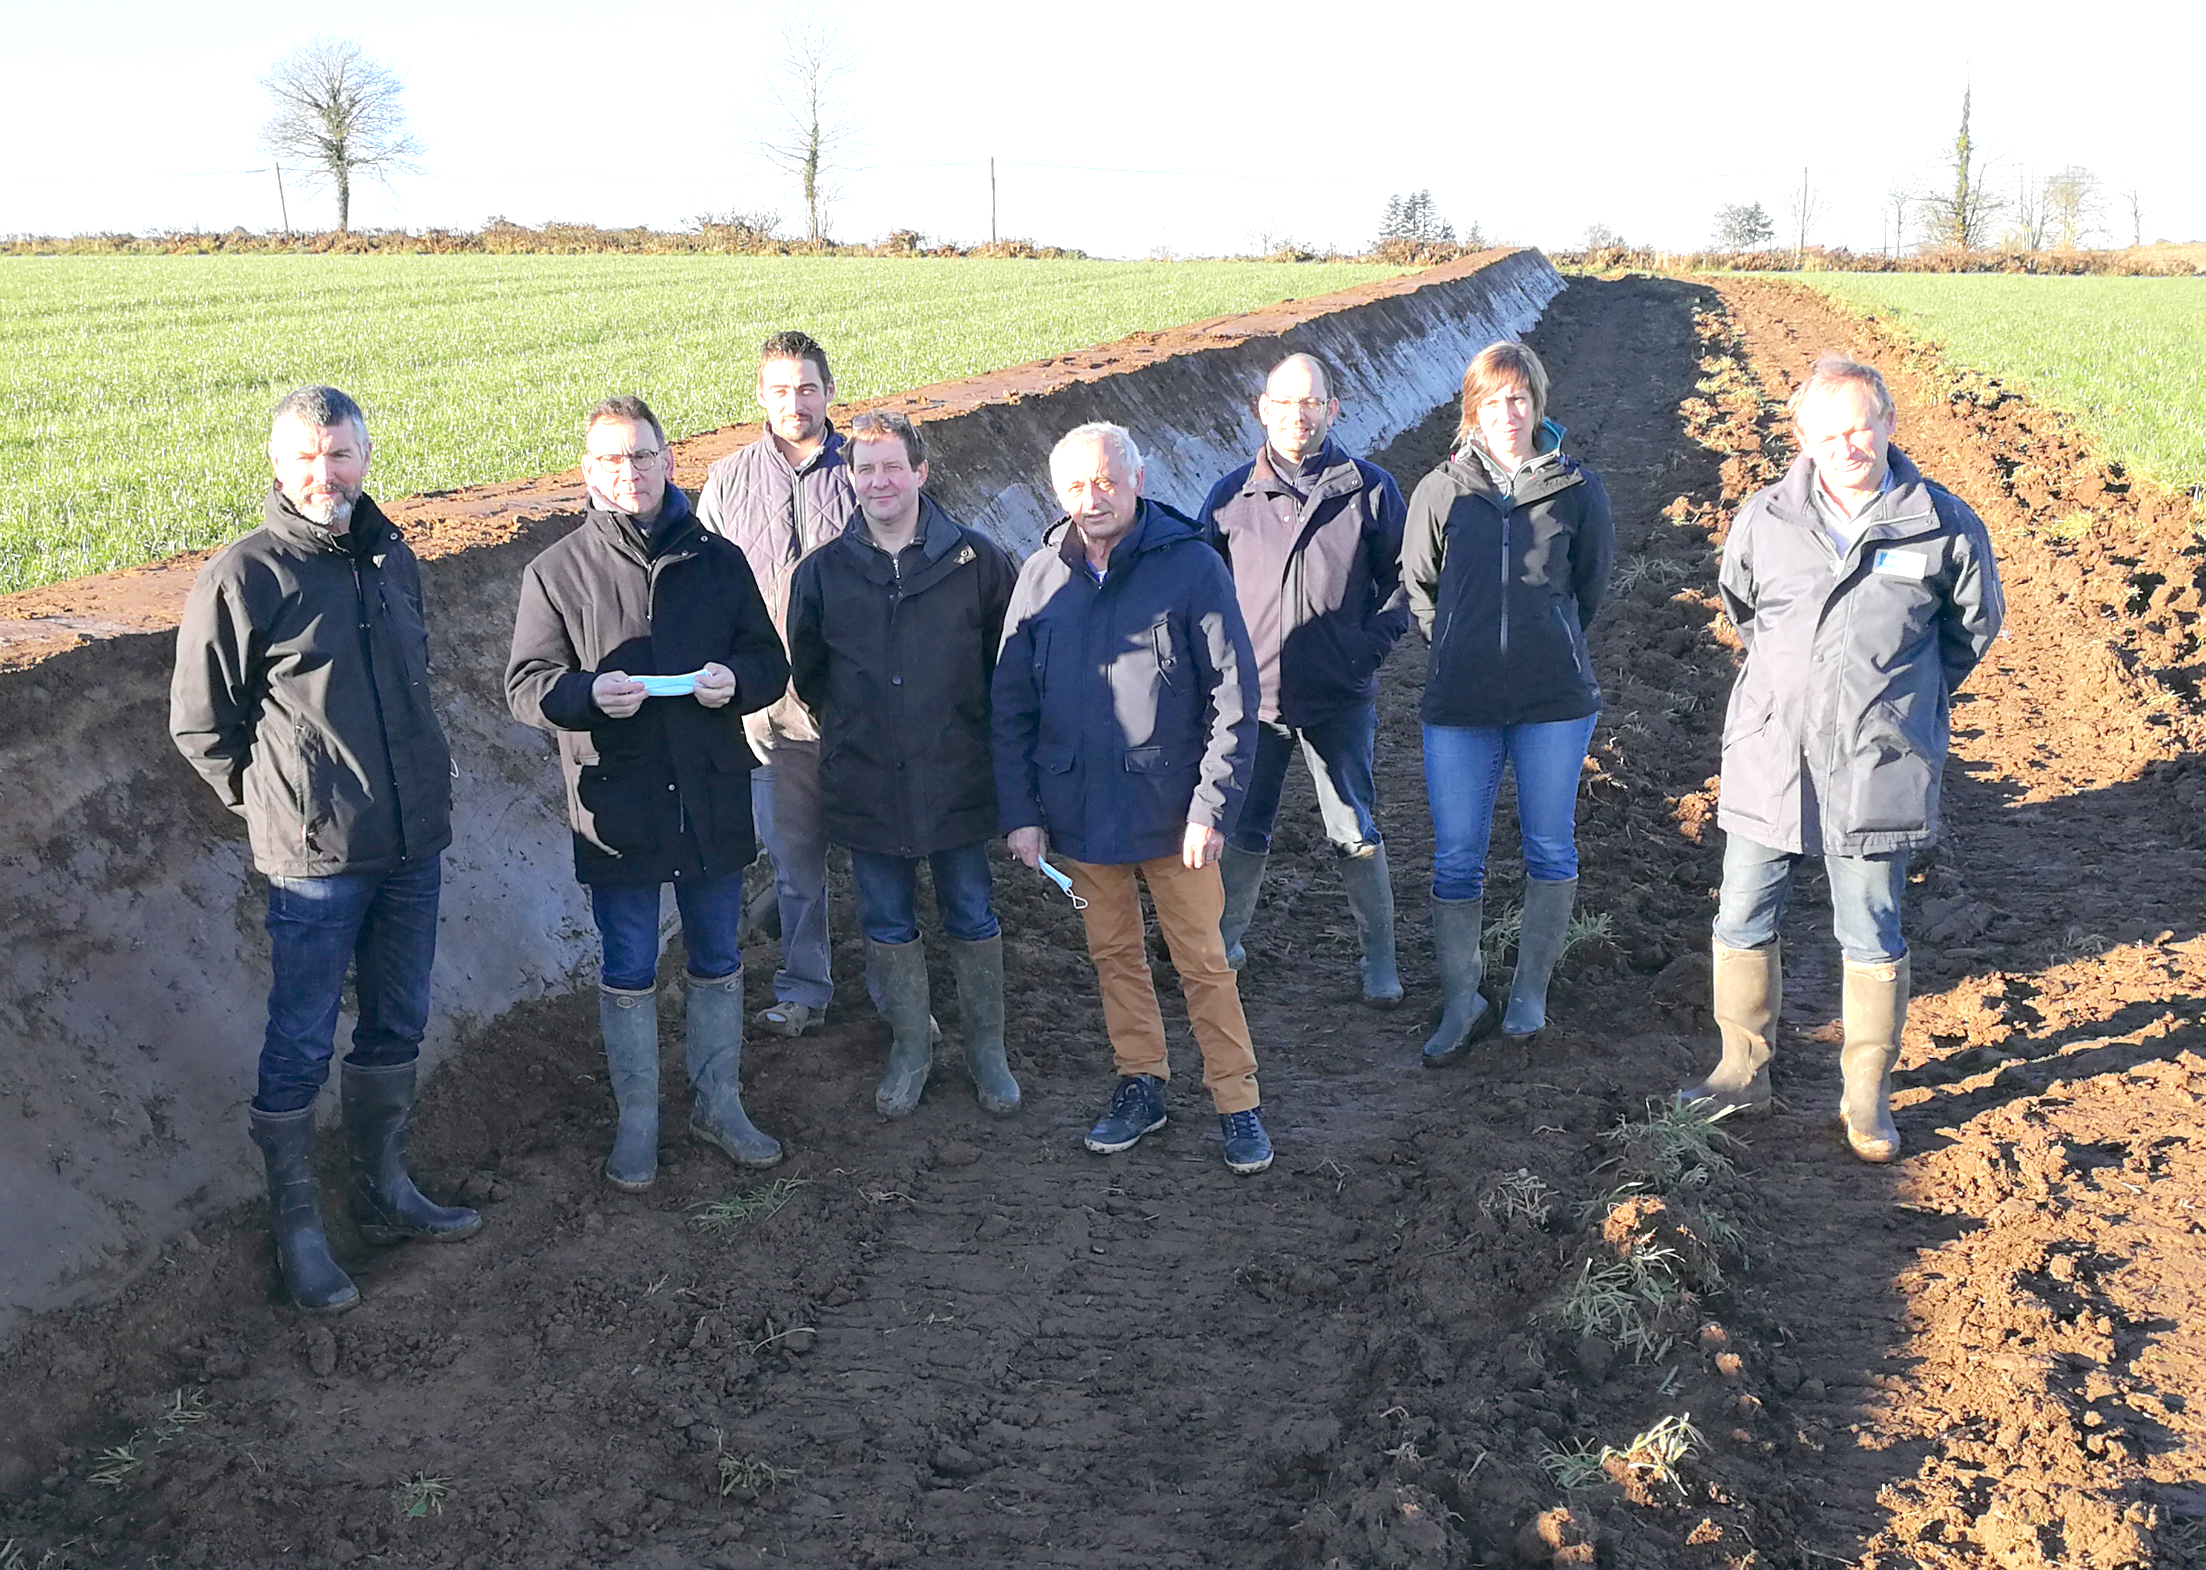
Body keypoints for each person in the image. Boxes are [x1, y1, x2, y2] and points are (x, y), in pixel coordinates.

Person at [171, 385, 481, 1315]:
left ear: (366, 458)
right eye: (306, 457)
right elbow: (202, 726)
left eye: (339, 454)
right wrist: (274, 808)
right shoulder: (245, 576)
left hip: (410, 844)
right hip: (314, 862)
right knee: (301, 1040)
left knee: (397, 1021)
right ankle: (299, 1231)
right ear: (278, 466)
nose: (325, 473)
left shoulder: (391, 557)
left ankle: (385, 1191)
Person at [1677, 354, 2004, 1162]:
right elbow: (1744, 609)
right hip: (1771, 755)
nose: (1846, 444)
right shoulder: (1765, 517)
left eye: (1860, 425)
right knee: (1742, 914)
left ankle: (1866, 1101)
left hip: (1876, 762)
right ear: (1802, 439)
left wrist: (1900, 697)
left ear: (1889, 423)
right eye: (1827, 432)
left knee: (1872, 929)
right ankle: (1739, 1072)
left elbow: (1971, 631)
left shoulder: (1942, 524)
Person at [507, 395, 791, 1189]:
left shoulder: (719, 560)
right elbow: (526, 687)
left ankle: (718, 1104)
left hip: (709, 792)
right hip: (618, 804)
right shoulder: (556, 571)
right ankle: (638, 1124)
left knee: (718, 951)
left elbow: (769, 663)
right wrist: (588, 694)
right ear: (587, 472)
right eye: (611, 459)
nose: (628, 472)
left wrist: (735, 681)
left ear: (670, 461)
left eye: (641, 456)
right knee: (629, 961)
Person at [993, 422, 1274, 1174]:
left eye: (1107, 481)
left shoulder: (1189, 568)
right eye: (1077, 486)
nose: (1093, 498)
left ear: (1138, 481)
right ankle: (1142, 1083)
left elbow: (1233, 698)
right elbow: (1010, 706)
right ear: (1058, 494)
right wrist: (1021, 813)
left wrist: (1211, 809)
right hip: (1079, 815)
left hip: (1174, 815)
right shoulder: (1039, 578)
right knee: (1113, 956)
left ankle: (1236, 1100)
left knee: (1204, 961)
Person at [786, 411, 1021, 1118]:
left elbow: (1003, 668)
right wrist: (862, 733)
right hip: (865, 780)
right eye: (866, 469)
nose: (880, 480)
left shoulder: (975, 562)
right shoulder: (823, 573)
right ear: (848, 479)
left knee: (972, 913)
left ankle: (987, 1052)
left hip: (956, 778)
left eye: (893, 466)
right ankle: (911, 1049)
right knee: (886, 921)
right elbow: (810, 673)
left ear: (920, 472)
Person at [1400, 342, 1615, 1067]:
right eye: (1491, 402)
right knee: (1457, 859)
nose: (1506, 413)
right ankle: (1463, 999)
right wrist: (1458, 645)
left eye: (1518, 399)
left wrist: (1540, 642)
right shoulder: (1440, 489)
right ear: (1472, 411)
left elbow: (1588, 589)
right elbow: (1420, 586)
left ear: (1538, 404)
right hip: (1459, 704)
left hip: (1553, 702)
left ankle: (1530, 990)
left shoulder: (1576, 489)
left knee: (1549, 845)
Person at [1198, 352, 1409, 1006]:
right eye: (1284, 403)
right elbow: (1200, 590)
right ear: (1263, 409)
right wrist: (1219, 671)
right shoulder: (1231, 496)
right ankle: (1224, 947)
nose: (1298, 415)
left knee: (1352, 826)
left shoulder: (1369, 489)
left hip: (1338, 697)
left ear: (1332, 409)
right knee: (1242, 826)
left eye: (1311, 403)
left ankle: (1380, 958)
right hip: (1252, 703)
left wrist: (1363, 651)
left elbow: (1405, 585)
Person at [696, 331, 856, 1037]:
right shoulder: (729, 480)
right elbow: (700, 586)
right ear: (760, 395)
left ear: (829, 391)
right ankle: (804, 989)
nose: (797, 401)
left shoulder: (866, 470)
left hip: (862, 701)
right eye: (782, 389)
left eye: (809, 387)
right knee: (793, 859)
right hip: (771, 708)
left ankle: (901, 994)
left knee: (887, 857)